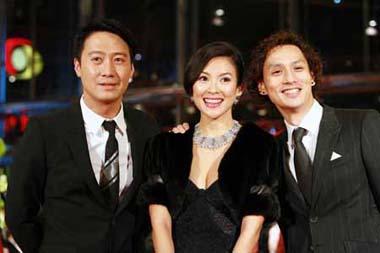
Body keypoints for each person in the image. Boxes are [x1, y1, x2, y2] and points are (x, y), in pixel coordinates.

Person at [5, 19, 159, 253]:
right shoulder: (46, 130)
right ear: (77, 66)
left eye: (119, 60)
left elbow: (149, 206)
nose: (108, 71)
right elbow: (18, 212)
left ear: (131, 70)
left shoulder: (145, 127)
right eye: (96, 59)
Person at [138, 41, 280, 253]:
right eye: (203, 78)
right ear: (191, 87)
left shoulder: (259, 146)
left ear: (239, 89)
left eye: (224, 79)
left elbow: (250, 232)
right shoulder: (164, 147)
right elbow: (161, 225)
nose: (213, 89)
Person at [246, 31, 380, 253]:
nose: (289, 78)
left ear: (312, 76)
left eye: (298, 68)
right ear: (262, 85)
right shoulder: (271, 152)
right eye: (277, 71)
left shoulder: (362, 124)